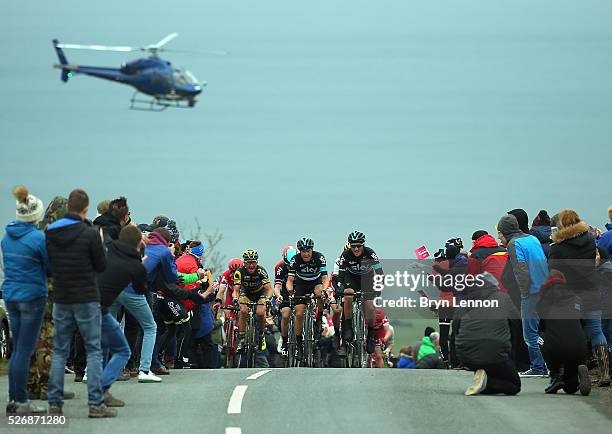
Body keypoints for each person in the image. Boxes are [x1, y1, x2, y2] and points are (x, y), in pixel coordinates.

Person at [45, 189, 114, 417]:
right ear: (85, 209)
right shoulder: (91, 233)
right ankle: (95, 403)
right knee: (93, 349)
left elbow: (47, 265)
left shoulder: (50, 233)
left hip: (62, 297)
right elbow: (102, 266)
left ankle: (54, 404)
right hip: (86, 296)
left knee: (59, 351)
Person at [2, 186, 49, 415]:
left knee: (16, 349)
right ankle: (21, 401)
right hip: (33, 296)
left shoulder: (6, 237)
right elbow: (50, 268)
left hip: (11, 295)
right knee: (24, 350)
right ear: (36, 214)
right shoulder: (38, 238)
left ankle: (13, 397)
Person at [549, 209, 609, 386]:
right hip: (591, 292)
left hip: (569, 298)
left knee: (575, 334)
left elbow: (552, 273)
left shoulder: (557, 249)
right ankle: (605, 372)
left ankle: (578, 368)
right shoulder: (591, 241)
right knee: (597, 331)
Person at [97, 225, 148, 407]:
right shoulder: (135, 266)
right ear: (138, 243)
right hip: (98, 309)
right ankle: (100, 391)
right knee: (122, 350)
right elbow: (142, 289)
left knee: (99, 349)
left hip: (81, 300)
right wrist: (141, 265)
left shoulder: (106, 249)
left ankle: (56, 399)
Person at [454, 271, 521, 396]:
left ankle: (482, 375)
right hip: (496, 355)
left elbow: (455, 328)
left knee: (488, 358)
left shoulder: (465, 300)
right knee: (514, 386)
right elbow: (518, 323)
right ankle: (488, 382)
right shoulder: (503, 298)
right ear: (493, 285)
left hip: (467, 356)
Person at [498, 214, 548, 377]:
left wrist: (524, 291)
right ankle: (548, 364)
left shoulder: (513, 244)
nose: (498, 236)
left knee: (529, 333)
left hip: (531, 292)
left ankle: (538, 367)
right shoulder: (532, 239)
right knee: (540, 330)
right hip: (545, 288)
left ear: (505, 231)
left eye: (499, 233)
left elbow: (521, 270)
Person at [536, 271, 591, 396]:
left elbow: (543, 326)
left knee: (539, 338)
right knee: (570, 388)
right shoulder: (576, 298)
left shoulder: (543, 301)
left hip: (555, 348)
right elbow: (583, 322)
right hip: (579, 347)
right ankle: (579, 369)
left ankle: (556, 374)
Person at [337, 231, 384, 354]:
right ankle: (348, 326)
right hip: (351, 279)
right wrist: (340, 288)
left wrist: (378, 287)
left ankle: (370, 334)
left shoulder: (370, 253)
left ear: (363, 245)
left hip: (366, 279)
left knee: (370, 306)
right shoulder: (345, 255)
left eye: (358, 246)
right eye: (353, 246)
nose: (356, 248)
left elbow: (379, 273)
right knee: (347, 295)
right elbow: (340, 276)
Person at [286, 237, 329, 360]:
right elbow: (290, 280)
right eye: (303, 251)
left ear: (312, 250)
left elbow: (325, 278)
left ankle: (319, 318)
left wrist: (325, 290)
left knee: (320, 292)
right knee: (299, 313)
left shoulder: (319, 257)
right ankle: (299, 344)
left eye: (308, 250)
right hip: (301, 284)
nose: (306, 253)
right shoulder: (295, 260)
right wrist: (290, 292)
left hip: (316, 282)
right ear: (299, 251)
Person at [432, 238, 467, 368]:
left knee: (444, 333)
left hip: (446, 302)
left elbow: (437, 282)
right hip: (460, 302)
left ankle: (448, 361)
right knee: (458, 332)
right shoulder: (466, 260)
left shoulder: (443, 263)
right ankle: (459, 359)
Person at [233, 250, 273, 353]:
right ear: (244, 263)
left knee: (260, 313)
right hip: (246, 293)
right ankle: (242, 338)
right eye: (248, 262)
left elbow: (269, 289)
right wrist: (235, 298)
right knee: (243, 311)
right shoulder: (239, 272)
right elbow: (236, 290)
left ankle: (261, 334)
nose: (251, 265)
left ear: (257, 262)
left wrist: (268, 299)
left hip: (260, 293)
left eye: (253, 262)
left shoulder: (261, 271)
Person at [273, 246, 297, 358]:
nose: (289, 267)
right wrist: (278, 296)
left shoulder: (300, 263)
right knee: (286, 314)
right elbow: (277, 286)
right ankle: (284, 339)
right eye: (287, 264)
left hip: (299, 289)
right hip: (285, 292)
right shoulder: (280, 267)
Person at [596, 247, 612, 376]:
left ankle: (608, 369)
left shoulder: (604, 271)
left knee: (605, 338)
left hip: (605, 309)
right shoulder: (607, 268)